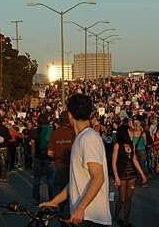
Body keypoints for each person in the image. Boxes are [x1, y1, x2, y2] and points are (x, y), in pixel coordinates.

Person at [40, 94, 112, 226]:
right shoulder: (82, 138)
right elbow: (75, 182)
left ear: (70, 115)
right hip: (82, 216)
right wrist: (55, 201)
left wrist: (80, 208)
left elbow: (98, 177)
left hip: (90, 218)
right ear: (90, 114)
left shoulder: (88, 139)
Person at [112, 125, 147, 227]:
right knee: (122, 198)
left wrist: (141, 173)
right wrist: (116, 176)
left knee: (128, 199)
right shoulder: (118, 145)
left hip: (132, 175)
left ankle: (126, 221)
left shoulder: (132, 145)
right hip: (122, 175)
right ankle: (117, 216)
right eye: (129, 130)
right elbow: (114, 162)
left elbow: (134, 160)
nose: (131, 132)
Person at [47, 111, 75, 225]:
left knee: (60, 194)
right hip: (72, 168)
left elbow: (49, 153)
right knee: (73, 194)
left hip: (58, 167)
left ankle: (62, 218)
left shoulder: (55, 134)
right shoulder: (74, 133)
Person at [32, 114, 54, 207]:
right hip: (48, 157)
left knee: (37, 179)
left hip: (38, 156)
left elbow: (33, 146)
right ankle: (52, 199)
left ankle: (36, 200)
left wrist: (33, 158)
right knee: (50, 180)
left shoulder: (35, 131)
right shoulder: (50, 130)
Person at [131, 121, 148, 187]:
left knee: (137, 167)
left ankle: (139, 181)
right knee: (143, 166)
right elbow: (145, 143)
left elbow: (132, 143)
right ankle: (144, 181)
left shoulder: (133, 133)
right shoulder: (143, 134)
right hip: (142, 150)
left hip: (136, 151)